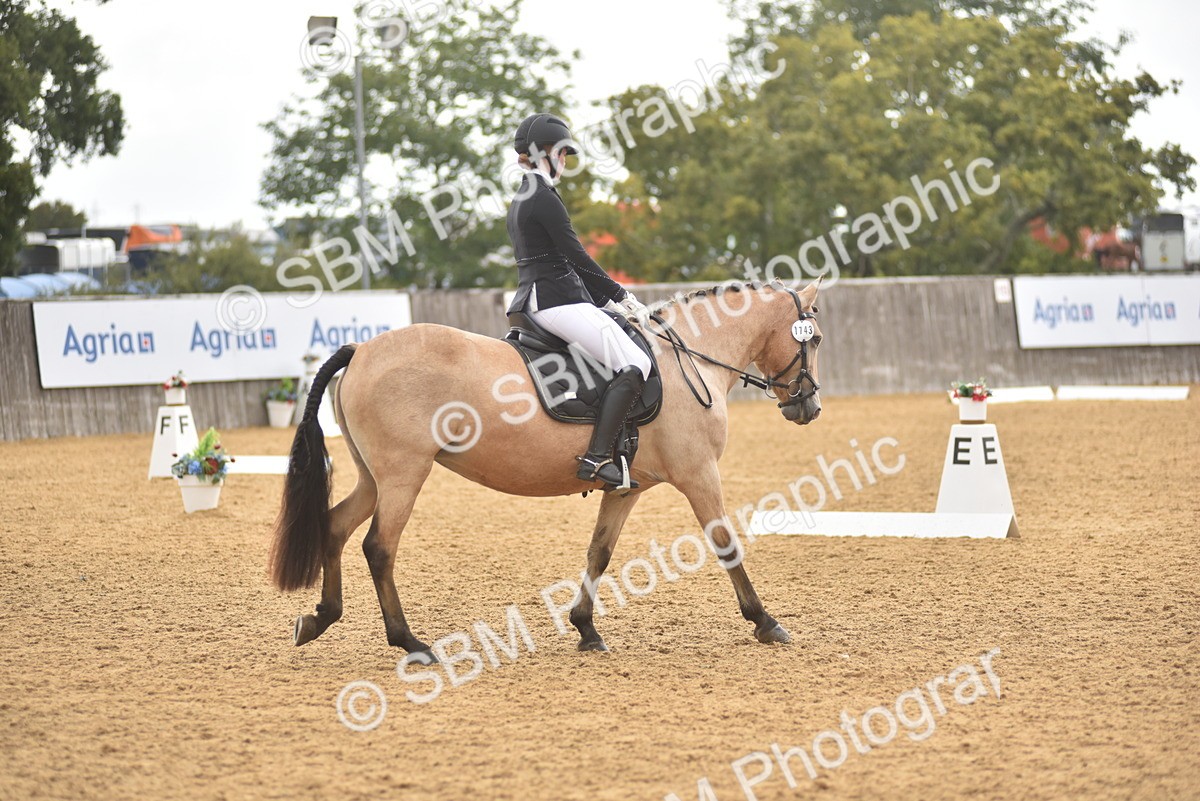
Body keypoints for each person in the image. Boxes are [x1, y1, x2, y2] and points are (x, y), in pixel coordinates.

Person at [506, 112, 650, 490]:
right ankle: (598, 457)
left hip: (539, 297)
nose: (565, 161)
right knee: (635, 362)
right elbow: (575, 257)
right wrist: (620, 295)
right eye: (562, 153)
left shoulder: (523, 195)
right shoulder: (543, 198)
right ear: (543, 155)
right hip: (556, 300)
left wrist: (603, 301)